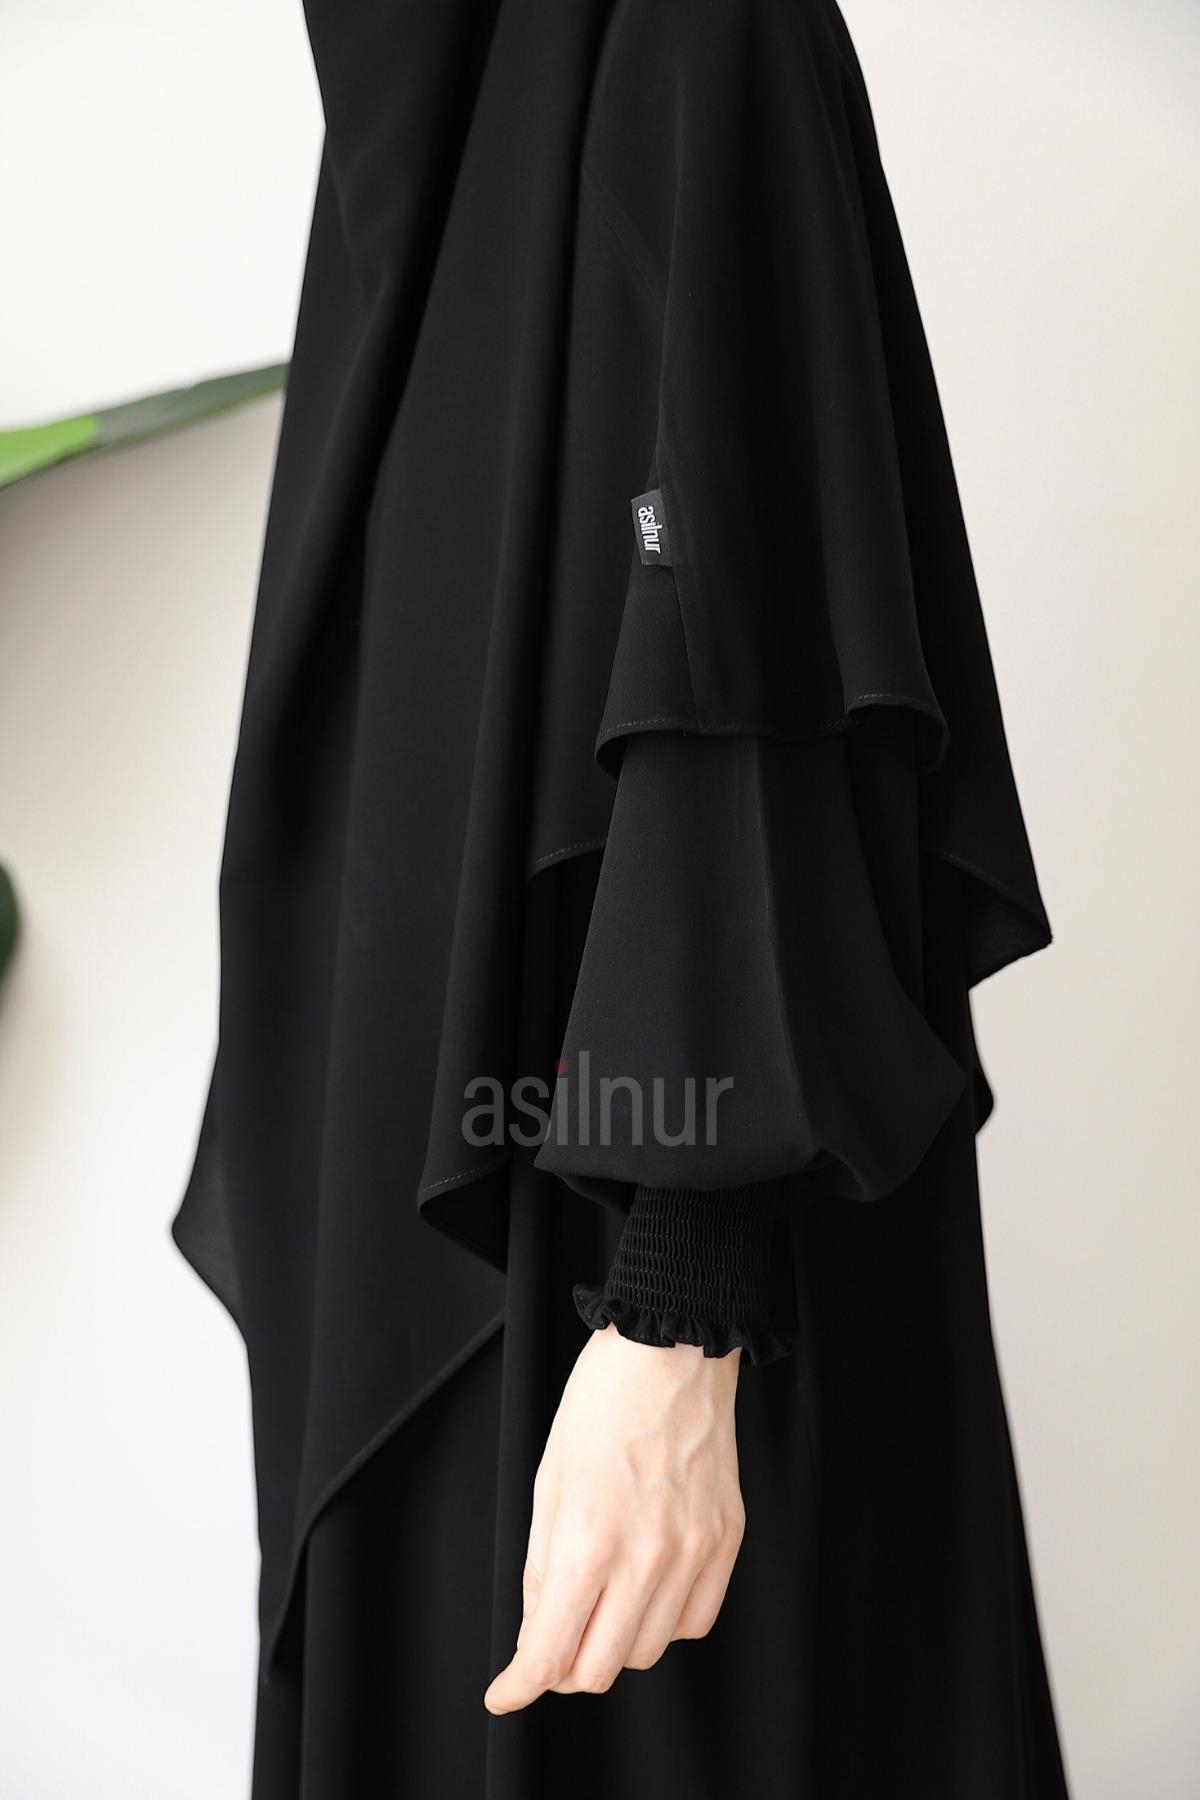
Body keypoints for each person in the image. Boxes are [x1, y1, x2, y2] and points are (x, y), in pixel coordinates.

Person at [175, 0, 1071, 1793]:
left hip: (637, 1334)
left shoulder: (690, 40)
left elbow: (747, 647)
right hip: (413, 1281)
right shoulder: (413, 159)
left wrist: (678, 1307)